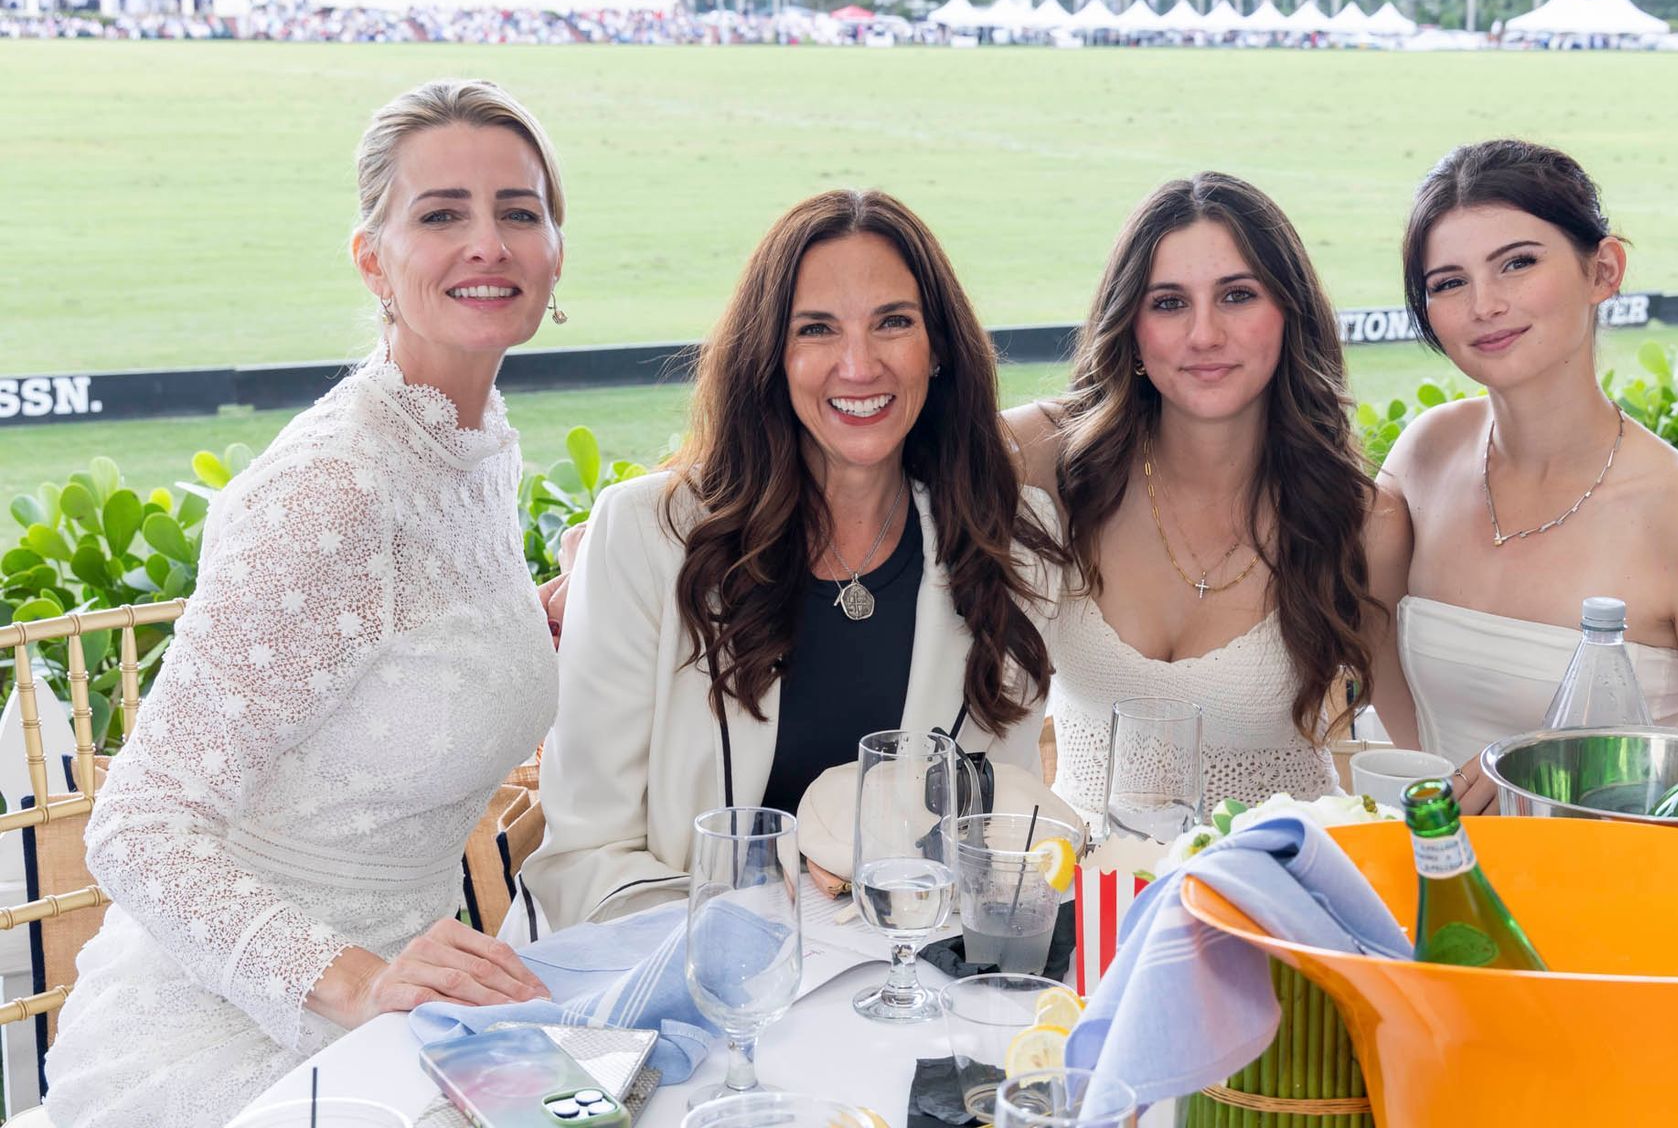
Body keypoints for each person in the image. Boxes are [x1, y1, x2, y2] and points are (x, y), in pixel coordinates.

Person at [44, 79, 565, 1126]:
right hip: (238, 1038)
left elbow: (409, 644)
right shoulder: (333, 487)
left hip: (421, 1011)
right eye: (441, 214)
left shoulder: (467, 440)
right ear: (372, 259)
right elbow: (138, 829)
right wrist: (360, 984)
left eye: (520, 210)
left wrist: (562, 604)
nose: (488, 242)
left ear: (558, 249)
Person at [519, 189, 1064, 931]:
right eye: (816, 330)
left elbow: (995, 835)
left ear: (937, 349)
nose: (858, 363)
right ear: (771, 357)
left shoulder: (1011, 549)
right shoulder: (643, 537)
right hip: (678, 986)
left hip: (897, 987)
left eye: (893, 323)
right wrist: (757, 955)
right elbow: (582, 859)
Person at [1373, 139, 1678, 810]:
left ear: (1603, 271)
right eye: (1448, 282)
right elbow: (1374, 646)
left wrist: (1567, 791)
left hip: (1620, 891)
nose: (1484, 304)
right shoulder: (1425, 453)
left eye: (1516, 263)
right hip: (1438, 878)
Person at [1005, 173, 1410, 821]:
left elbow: (1420, 750)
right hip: (1090, 894)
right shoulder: (1052, 458)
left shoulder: (1363, 521)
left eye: (1237, 296)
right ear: (1131, 328)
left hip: (1280, 892)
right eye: (1168, 303)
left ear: (1289, 313)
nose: (1204, 335)